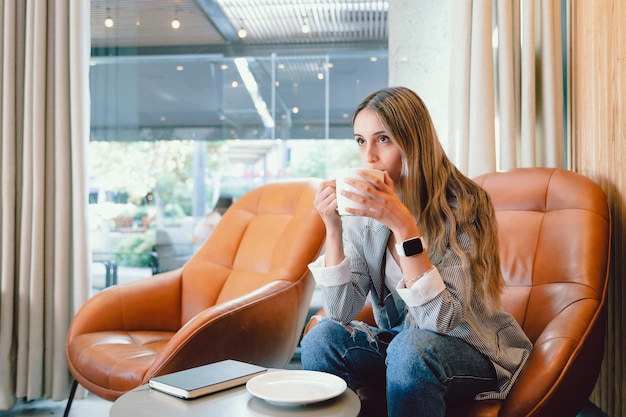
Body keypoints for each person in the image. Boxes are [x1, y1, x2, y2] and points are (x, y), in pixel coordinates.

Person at [300, 86, 533, 417]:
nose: (369, 156)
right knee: (321, 338)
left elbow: (442, 320)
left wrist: (404, 227)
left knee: (410, 349)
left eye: (384, 139)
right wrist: (334, 229)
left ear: (413, 142)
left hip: (471, 348)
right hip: (403, 345)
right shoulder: (365, 215)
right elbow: (339, 311)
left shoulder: (465, 204)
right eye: (361, 141)